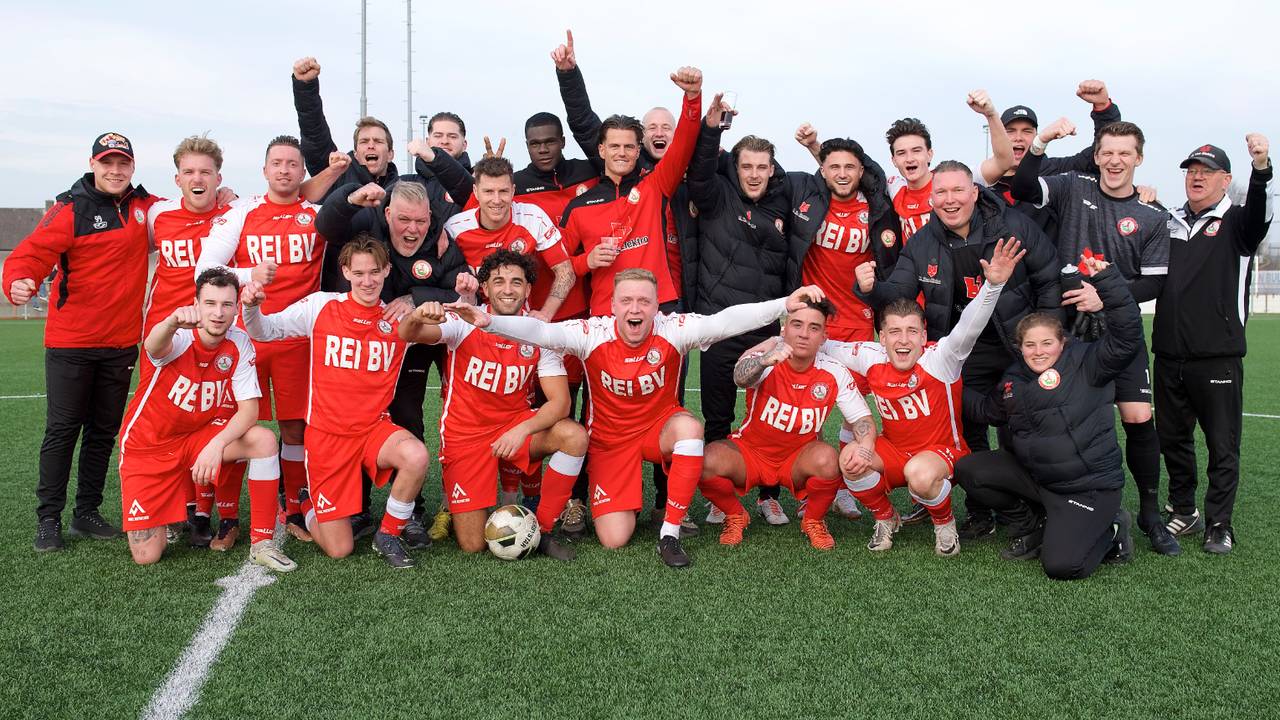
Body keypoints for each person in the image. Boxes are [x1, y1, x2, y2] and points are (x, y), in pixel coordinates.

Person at [446, 269, 826, 568]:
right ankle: (550, 527)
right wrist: (489, 322)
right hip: (610, 442)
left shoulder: (674, 328)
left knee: (690, 428)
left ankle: (669, 534)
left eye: (644, 301)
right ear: (612, 306)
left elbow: (725, 320)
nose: (635, 309)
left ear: (657, 306)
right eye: (626, 300)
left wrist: (784, 305)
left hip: (656, 430)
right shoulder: (590, 333)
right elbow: (541, 331)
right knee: (614, 538)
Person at [854, 160, 1062, 538]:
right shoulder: (922, 242)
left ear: (974, 192)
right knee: (970, 431)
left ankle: (1031, 511)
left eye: (957, 191)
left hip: (1017, 345)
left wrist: (1046, 335)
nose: (950, 200)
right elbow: (897, 294)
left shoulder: (1011, 225)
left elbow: (1049, 276)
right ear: (931, 198)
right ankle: (981, 511)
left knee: (1022, 428)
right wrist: (867, 289)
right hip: (964, 351)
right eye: (941, 193)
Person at [1010, 121, 1181, 555]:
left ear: (1138, 158)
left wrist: (1104, 296)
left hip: (1118, 327)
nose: (1115, 161)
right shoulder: (1071, 185)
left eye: (1125, 153)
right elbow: (1026, 185)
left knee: (1139, 417)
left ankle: (1149, 515)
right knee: (1056, 418)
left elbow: (1155, 283)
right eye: (1107, 152)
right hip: (1069, 330)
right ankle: (1054, 510)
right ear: (1097, 154)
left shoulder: (1152, 216)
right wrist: (1042, 141)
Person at [4, 132, 160, 551]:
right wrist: (18, 280)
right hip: (72, 342)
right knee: (62, 430)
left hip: (122, 342)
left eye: (122, 163)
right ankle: (48, 519)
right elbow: (32, 253)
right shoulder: (69, 209)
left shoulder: (145, 207)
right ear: (93, 164)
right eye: (107, 163)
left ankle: (86, 512)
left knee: (103, 432)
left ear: (133, 166)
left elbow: (187, 213)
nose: (115, 170)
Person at [824, 238, 1026, 557]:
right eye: (894, 332)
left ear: (924, 336)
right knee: (850, 462)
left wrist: (992, 287)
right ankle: (886, 518)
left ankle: (944, 523)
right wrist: (778, 344)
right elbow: (825, 346)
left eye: (911, 331)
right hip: (894, 450)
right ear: (882, 336)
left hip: (941, 452)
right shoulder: (871, 356)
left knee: (918, 473)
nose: (903, 341)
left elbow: (969, 326)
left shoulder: (940, 358)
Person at [240, 236, 429, 569]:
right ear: (345, 272)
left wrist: (423, 301)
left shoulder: (398, 319)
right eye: (359, 273)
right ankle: (306, 501)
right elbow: (264, 331)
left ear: (386, 271)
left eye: (374, 272)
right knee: (339, 549)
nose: (367, 281)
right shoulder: (321, 306)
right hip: (327, 438)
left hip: (373, 430)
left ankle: (388, 534)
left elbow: (458, 324)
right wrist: (252, 307)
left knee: (415, 455)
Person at [955, 256, 1140, 579]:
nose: (1038, 351)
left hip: (1088, 488)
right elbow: (986, 410)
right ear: (1020, 348)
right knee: (969, 469)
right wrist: (947, 384)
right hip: (1041, 483)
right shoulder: (1014, 380)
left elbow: (1127, 337)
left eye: (1046, 343)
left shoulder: (1088, 363)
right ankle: (1033, 523)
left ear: (1061, 343)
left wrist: (1109, 282)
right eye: (1030, 345)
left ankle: (1113, 530)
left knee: (1063, 566)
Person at [398, 250, 585, 560]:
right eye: (498, 281)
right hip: (466, 436)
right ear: (484, 288)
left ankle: (545, 528)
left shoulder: (538, 333)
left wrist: (520, 429)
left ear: (527, 289)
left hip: (514, 426)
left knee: (574, 436)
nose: (508, 289)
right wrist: (416, 315)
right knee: (472, 543)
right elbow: (409, 333)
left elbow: (560, 403)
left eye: (516, 282)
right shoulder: (464, 321)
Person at [317, 179, 471, 546]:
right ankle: (358, 507)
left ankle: (412, 511)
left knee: (412, 414)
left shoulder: (444, 239)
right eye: (404, 220)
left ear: (429, 217)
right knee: (370, 415)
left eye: (420, 221)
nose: (412, 229)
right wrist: (350, 194)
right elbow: (326, 226)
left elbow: (458, 289)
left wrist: (414, 296)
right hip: (380, 341)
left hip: (430, 337)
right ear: (387, 215)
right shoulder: (369, 224)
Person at [118, 268, 295, 571]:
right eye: (210, 304)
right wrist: (172, 321)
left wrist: (217, 443)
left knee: (263, 439)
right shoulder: (180, 334)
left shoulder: (238, 342)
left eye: (227, 305)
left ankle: (262, 542)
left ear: (236, 308)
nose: (218, 313)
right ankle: (170, 514)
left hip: (197, 435)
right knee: (147, 555)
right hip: (148, 446)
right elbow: (153, 346)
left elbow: (249, 410)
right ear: (196, 304)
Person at [197, 135, 326, 544]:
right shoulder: (242, 211)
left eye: (292, 164)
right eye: (277, 163)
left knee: (293, 429)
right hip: (244, 338)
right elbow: (205, 267)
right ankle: (229, 517)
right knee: (233, 427)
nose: (284, 170)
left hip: (295, 340)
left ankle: (294, 506)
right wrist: (249, 274)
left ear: (302, 172)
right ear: (264, 169)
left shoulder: (318, 215)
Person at [1155, 136, 1273, 554]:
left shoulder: (1240, 223)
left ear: (1225, 180)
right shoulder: (1168, 220)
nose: (1196, 177)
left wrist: (1260, 168)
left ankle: (1220, 523)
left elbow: (1260, 210)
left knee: (1223, 445)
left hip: (1218, 356)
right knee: (1172, 439)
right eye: (1191, 170)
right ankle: (1184, 510)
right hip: (1169, 354)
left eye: (1206, 171)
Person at [685, 102, 799, 526]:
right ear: (736, 168)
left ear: (773, 170)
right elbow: (698, 171)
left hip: (765, 329)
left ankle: (769, 494)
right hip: (717, 325)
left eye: (762, 166)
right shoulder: (717, 195)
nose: (754, 173)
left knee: (765, 418)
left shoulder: (784, 204)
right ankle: (721, 494)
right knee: (718, 415)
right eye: (746, 165)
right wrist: (712, 127)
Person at [699, 298, 875, 550]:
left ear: (824, 336)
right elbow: (739, 378)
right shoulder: (767, 356)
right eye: (797, 324)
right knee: (705, 461)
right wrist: (763, 361)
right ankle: (735, 514)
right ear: (784, 328)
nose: (804, 334)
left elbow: (862, 419)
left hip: (797, 458)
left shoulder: (834, 371)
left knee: (830, 459)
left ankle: (813, 520)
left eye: (814, 328)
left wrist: (865, 446)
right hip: (752, 452)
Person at [143, 135, 242, 549]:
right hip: (166, 339)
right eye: (190, 172)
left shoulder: (237, 212)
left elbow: (291, 192)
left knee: (222, 422)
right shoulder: (157, 215)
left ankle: (215, 513)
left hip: (218, 336)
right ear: (177, 179)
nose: (197, 178)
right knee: (165, 427)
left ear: (219, 178)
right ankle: (174, 509)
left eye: (206, 172)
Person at [559, 66, 704, 316]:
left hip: (660, 309)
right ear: (602, 150)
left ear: (638, 151)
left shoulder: (655, 185)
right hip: (606, 314)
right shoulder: (578, 206)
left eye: (629, 146)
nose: (622, 153)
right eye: (614, 146)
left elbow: (683, 144)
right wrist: (587, 261)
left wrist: (692, 99)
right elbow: (558, 265)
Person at [444, 156, 576, 320]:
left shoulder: (532, 217)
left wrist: (546, 314)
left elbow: (566, 271)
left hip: (517, 318)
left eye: (503, 191)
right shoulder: (454, 228)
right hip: (470, 317)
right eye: (488, 191)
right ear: (476, 192)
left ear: (513, 190)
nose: (497, 200)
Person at [990, 80, 1123, 235]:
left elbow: (1100, 155)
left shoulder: (1056, 172)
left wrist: (1103, 108)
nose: (1018, 138)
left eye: (1026, 131)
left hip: (1050, 259)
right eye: (1010, 131)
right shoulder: (981, 182)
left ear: (1037, 136)